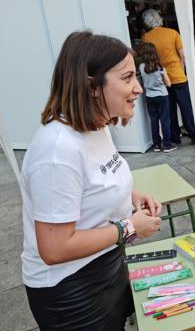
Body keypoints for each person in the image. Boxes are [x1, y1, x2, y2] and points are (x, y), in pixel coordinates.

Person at [21, 31, 162, 330]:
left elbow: (95, 182)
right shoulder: (57, 150)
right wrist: (130, 226)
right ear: (92, 86)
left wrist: (131, 196)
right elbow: (55, 248)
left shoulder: (97, 126)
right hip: (70, 288)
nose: (137, 87)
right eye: (127, 78)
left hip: (105, 266)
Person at [142, 9, 195, 144]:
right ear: (159, 19)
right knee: (186, 108)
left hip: (161, 79)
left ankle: (175, 137)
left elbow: (146, 58)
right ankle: (194, 135)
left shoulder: (146, 38)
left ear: (146, 22)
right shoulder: (172, 33)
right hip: (178, 76)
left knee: (170, 110)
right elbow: (183, 55)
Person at [139, 42, 176, 153]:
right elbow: (169, 84)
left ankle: (156, 145)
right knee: (165, 121)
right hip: (162, 96)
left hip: (149, 96)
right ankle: (167, 145)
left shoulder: (141, 67)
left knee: (154, 120)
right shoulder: (160, 68)